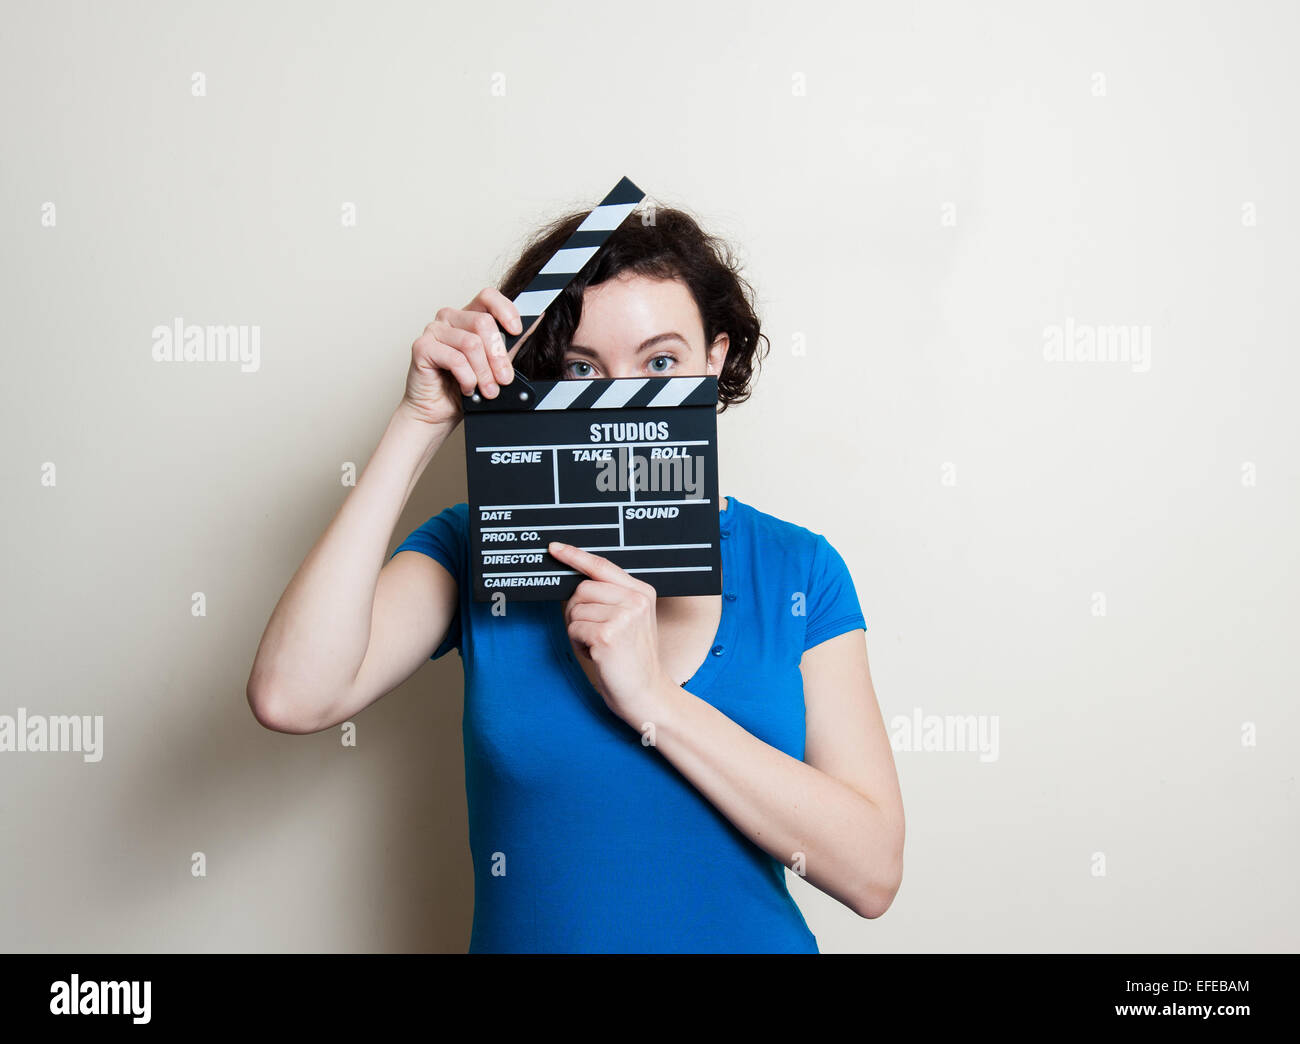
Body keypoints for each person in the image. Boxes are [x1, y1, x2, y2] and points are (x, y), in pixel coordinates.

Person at [246, 201, 905, 953]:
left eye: (660, 362)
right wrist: (418, 420)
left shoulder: (797, 569)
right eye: (582, 368)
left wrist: (651, 697)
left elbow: (872, 872)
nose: (617, 397)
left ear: (715, 359)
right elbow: (291, 694)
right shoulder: (477, 548)